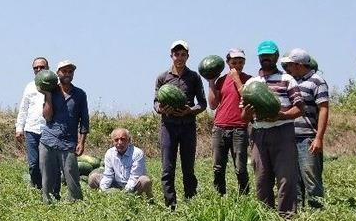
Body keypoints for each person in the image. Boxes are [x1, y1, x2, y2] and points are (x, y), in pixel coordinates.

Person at [241, 41, 304, 217]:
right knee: (262, 179)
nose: (266, 58)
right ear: (259, 57)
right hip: (259, 134)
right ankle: (266, 217)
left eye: (269, 55)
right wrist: (247, 113)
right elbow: (243, 117)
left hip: (282, 132)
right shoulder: (251, 83)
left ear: (276, 56)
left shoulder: (287, 79)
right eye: (263, 55)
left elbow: (300, 108)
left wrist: (281, 116)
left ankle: (287, 217)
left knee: (286, 178)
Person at [153, 40, 206, 210]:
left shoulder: (194, 77)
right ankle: (171, 205)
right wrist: (161, 109)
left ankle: (190, 202)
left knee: (188, 168)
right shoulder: (162, 77)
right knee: (167, 168)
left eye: (183, 54)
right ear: (171, 55)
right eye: (177, 54)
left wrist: (189, 111)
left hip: (187, 126)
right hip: (168, 127)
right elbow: (155, 103)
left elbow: (203, 103)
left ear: (187, 56)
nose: (180, 57)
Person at [283, 48, 329, 208]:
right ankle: (299, 216)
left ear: (298, 65)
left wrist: (319, 138)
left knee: (311, 179)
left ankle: (317, 215)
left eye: (289, 65)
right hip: (290, 137)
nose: (287, 68)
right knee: (294, 180)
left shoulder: (317, 81)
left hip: (308, 137)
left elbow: (324, 108)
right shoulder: (292, 82)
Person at [39, 60, 89, 203]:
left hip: (68, 143)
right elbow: (47, 117)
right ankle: (48, 203)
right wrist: (48, 95)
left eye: (70, 72)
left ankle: (76, 204)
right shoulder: (51, 91)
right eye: (64, 71)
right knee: (47, 177)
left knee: (72, 176)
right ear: (57, 73)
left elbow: (84, 120)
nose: (67, 74)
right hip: (48, 140)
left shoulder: (80, 94)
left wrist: (81, 142)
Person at [206, 48, 253, 196]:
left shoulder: (250, 80)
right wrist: (212, 83)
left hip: (240, 128)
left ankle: (244, 198)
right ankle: (220, 197)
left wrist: (237, 79)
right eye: (234, 62)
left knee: (240, 168)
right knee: (218, 167)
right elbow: (213, 105)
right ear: (227, 63)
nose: (237, 65)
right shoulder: (221, 80)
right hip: (219, 128)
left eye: (240, 62)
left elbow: (248, 97)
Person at [88, 128, 153, 198]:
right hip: (116, 184)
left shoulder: (137, 153)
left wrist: (124, 194)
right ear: (113, 142)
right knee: (93, 178)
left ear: (129, 140)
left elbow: (134, 177)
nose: (119, 142)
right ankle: (100, 198)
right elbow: (108, 175)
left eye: (123, 139)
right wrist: (103, 190)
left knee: (145, 181)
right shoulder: (109, 153)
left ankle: (143, 200)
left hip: (134, 185)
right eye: (116, 140)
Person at [15, 57, 50, 189]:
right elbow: (23, 108)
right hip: (32, 130)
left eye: (42, 67)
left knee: (47, 163)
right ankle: (37, 188)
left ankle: (49, 189)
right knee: (33, 164)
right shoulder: (30, 86)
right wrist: (19, 128)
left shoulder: (55, 85)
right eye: (36, 68)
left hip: (49, 130)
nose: (39, 69)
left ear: (48, 68)